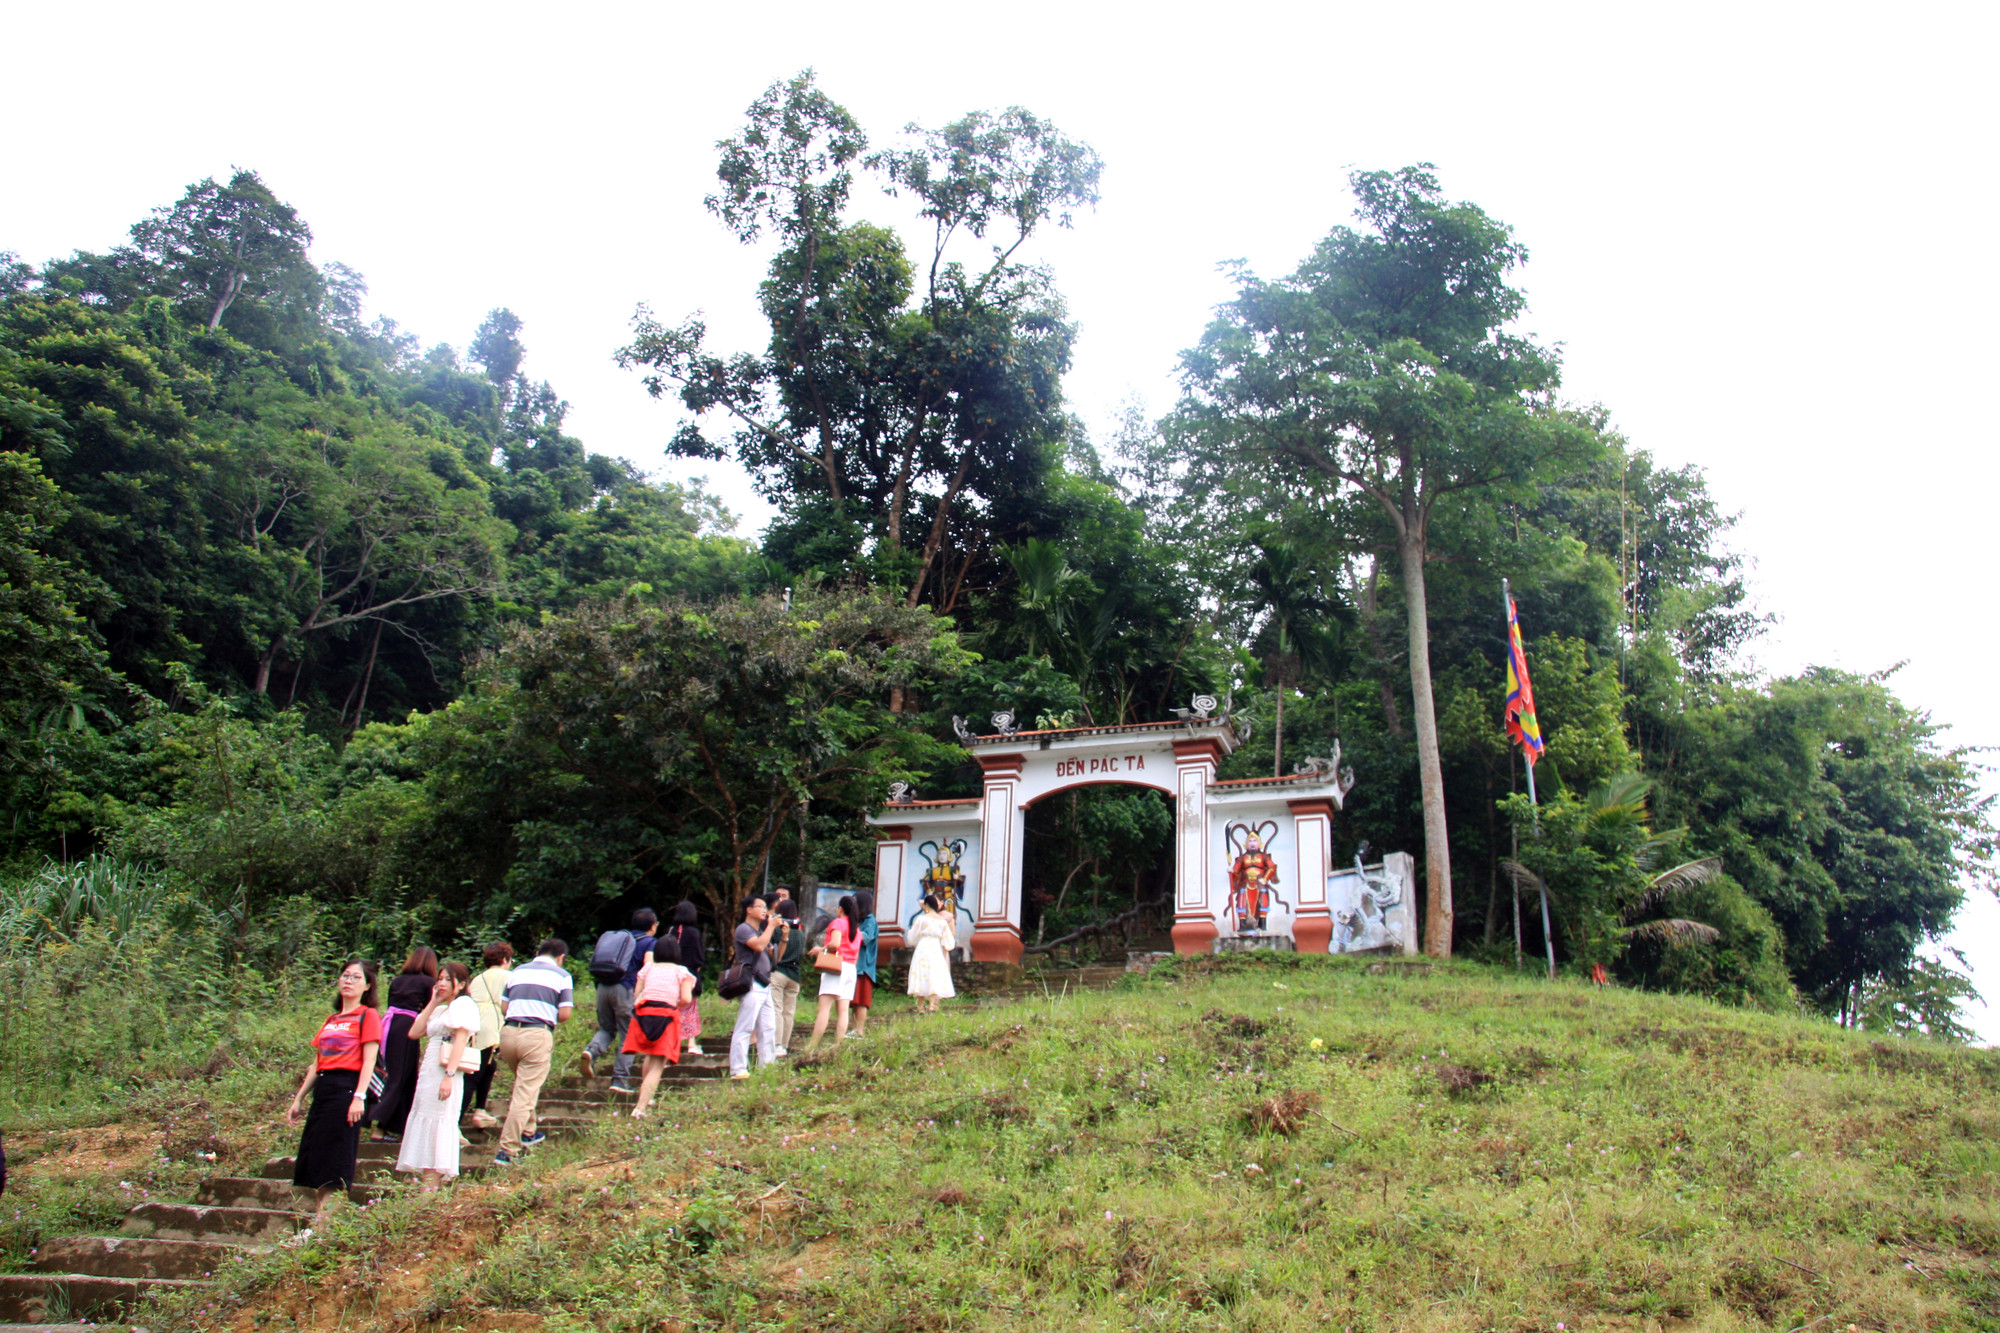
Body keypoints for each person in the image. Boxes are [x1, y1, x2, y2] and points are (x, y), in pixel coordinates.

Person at [285, 959, 382, 1218]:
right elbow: (317, 1061)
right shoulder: (332, 1019)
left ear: (367, 985)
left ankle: (325, 1228)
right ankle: (320, 1224)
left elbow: (369, 1059)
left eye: (356, 977)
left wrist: (359, 1096)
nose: (349, 981)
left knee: (335, 1163)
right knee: (319, 1161)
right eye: (345, 976)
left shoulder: (368, 1015)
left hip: (347, 1088)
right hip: (324, 1089)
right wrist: (299, 1098)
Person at [396, 962, 480, 1190]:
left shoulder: (464, 1005)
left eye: (446, 979)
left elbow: (461, 1040)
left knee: (438, 1121)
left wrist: (449, 1075)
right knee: (425, 1116)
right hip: (430, 1072)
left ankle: (432, 1183)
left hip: (445, 1070)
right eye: (439, 979)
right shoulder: (443, 1009)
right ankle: (428, 1182)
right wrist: (433, 1002)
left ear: (461, 984)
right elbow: (414, 1032)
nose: (441, 983)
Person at [494, 938, 574, 1166]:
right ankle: (507, 1149)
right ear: (560, 957)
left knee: (524, 1085)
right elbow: (565, 1013)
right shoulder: (561, 975)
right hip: (537, 1034)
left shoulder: (517, 971)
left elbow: (504, 1007)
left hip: (509, 1034)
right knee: (524, 1093)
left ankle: (529, 1131)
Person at [581, 908, 658, 1094]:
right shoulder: (649, 942)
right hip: (624, 989)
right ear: (652, 926)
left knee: (607, 1028)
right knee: (629, 1035)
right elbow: (648, 967)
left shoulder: (620, 939)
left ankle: (591, 1051)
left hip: (603, 987)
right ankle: (620, 1080)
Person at [369, 946, 440, 1143]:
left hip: (389, 1025)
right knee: (401, 1077)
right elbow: (429, 1009)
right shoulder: (428, 982)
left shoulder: (398, 980)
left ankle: (386, 1124)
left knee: (390, 1072)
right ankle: (381, 1125)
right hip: (408, 1027)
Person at [622, 933, 696, 1117]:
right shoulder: (681, 972)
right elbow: (686, 998)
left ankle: (648, 1097)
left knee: (649, 1054)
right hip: (666, 1016)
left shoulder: (648, 969)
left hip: (643, 1014)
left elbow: (637, 993)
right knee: (658, 1063)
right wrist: (674, 1003)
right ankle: (640, 1107)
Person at [727, 895, 779, 1081]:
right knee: (745, 1026)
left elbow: (773, 959)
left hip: (764, 983)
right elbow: (757, 947)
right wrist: (771, 927)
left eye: (766, 907)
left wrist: (783, 937)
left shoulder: (760, 931)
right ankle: (738, 1068)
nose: (765, 910)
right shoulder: (744, 929)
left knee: (768, 1027)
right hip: (752, 982)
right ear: (749, 910)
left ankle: (767, 1066)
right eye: (760, 907)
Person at [800, 895, 861, 1055]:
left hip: (836, 966)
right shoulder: (857, 929)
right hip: (850, 969)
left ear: (840, 909)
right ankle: (838, 1044)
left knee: (824, 1008)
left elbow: (835, 944)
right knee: (843, 1010)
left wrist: (821, 949)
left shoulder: (838, 923)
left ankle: (812, 1045)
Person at [463, 941, 513, 1131]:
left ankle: (480, 1109)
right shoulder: (510, 977)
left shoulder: (478, 978)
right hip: (493, 1024)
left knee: (489, 1066)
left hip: (475, 1023)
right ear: (504, 959)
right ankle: (457, 1123)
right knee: (475, 1074)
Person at [664, 902, 706, 1057]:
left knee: (673, 1008)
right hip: (689, 977)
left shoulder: (671, 931)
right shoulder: (694, 933)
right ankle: (691, 1043)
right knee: (690, 1009)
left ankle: (672, 1041)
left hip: (672, 975)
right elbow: (698, 958)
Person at [905, 893, 957, 1013]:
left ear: (927, 905)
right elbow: (949, 941)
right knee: (934, 973)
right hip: (935, 948)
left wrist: (916, 940)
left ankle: (920, 1005)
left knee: (921, 972)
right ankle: (932, 1004)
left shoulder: (922, 919)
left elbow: (912, 937)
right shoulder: (942, 922)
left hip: (923, 947)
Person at [768, 898, 805, 1055]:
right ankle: (784, 1044)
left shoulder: (778, 930)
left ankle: (776, 1044)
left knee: (777, 1008)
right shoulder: (800, 932)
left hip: (779, 971)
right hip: (795, 974)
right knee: (789, 1011)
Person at [851, 891, 880, 1038]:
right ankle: (853, 1029)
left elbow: (866, 938)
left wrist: (849, 932)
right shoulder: (858, 920)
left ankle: (859, 1030)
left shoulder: (870, 920)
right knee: (853, 1001)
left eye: (855, 902)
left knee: (861, 1001)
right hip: (854, 966)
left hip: (864, 967)